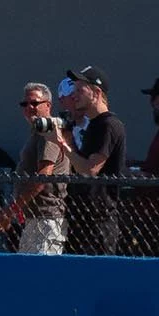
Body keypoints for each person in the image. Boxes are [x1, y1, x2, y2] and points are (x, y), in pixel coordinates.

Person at [0, 82, 72, 256]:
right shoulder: (37, 132)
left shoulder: (49, 132)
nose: (29, 107)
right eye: (25, 104)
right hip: (34, 218)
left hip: (46, 219)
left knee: (41, 277)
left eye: (35, 103)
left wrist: (11, 211)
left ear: (48, 105)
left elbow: (42, 178)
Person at [64, 65, 127, 254]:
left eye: (79, 89)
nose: (74, 95)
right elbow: (79, 164)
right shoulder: (93, 126)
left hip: (100, 221)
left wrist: (62, 144)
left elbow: (90, 170)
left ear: (96, 92)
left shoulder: (108, 125)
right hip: (82, 219)